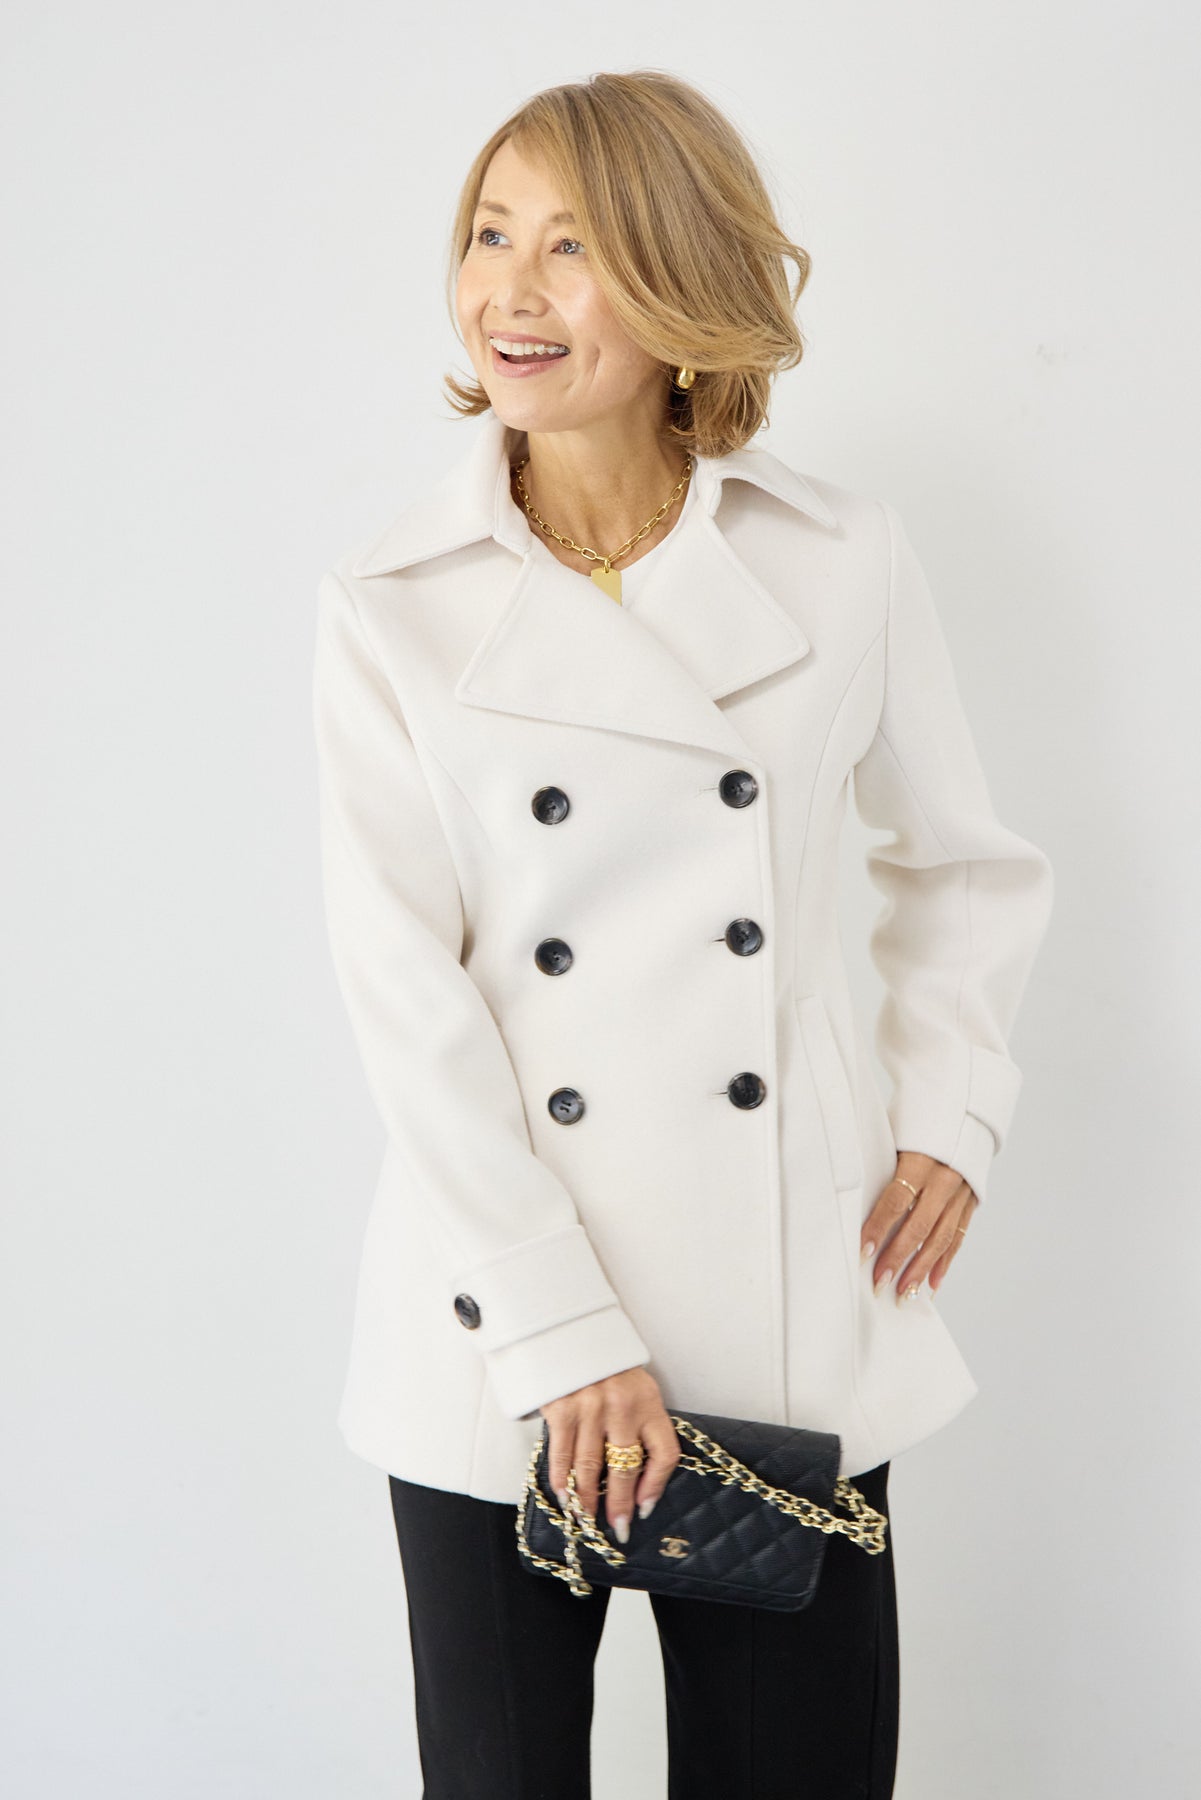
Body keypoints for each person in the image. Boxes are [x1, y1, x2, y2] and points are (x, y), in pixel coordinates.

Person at [311, 69, 1054, 1800]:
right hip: (494, 1325)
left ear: (681, 280)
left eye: (571, 246)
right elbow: (404, 997)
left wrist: (953, 1111)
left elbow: (962, 866)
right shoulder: (388, 606)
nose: (509, 289)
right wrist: (563, 1332)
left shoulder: (840, 558)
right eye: (489, 234)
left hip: (786, 1305)